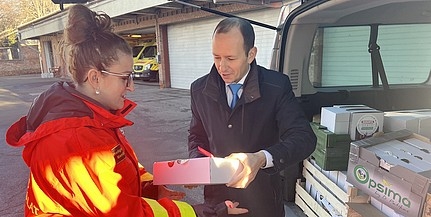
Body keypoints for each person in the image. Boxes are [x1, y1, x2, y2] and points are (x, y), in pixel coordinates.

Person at [5, 5, 247, 217]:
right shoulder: (76, 139)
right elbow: (120, 211)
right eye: (125, 78)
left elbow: (120, 168)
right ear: (95, 78)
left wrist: (152, 186)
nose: (131, 86)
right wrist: (193, 212)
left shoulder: (92, 119)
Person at [188, 17, 317, 217]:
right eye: (216, 57)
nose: (222, 67)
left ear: (251, 54)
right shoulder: (199, 89)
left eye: (230, 58)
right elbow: (196, 136)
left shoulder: (276, 87)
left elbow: (304, 138)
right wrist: (196, 163)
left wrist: (261, 158)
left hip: (262, 201)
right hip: (217, 203)